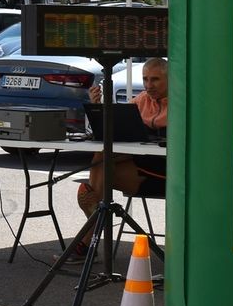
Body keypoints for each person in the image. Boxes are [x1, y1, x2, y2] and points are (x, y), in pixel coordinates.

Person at [72, 57, 169, 239]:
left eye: (155, 79)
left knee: (99, 170)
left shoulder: (181, 104)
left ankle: (89, 234)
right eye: (145, 79)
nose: (149, 85)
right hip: (141, 168)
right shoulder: (142, 100)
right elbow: (116, 126)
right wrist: (98, 106)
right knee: (102, 159)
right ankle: (96, 215)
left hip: (168, 172)